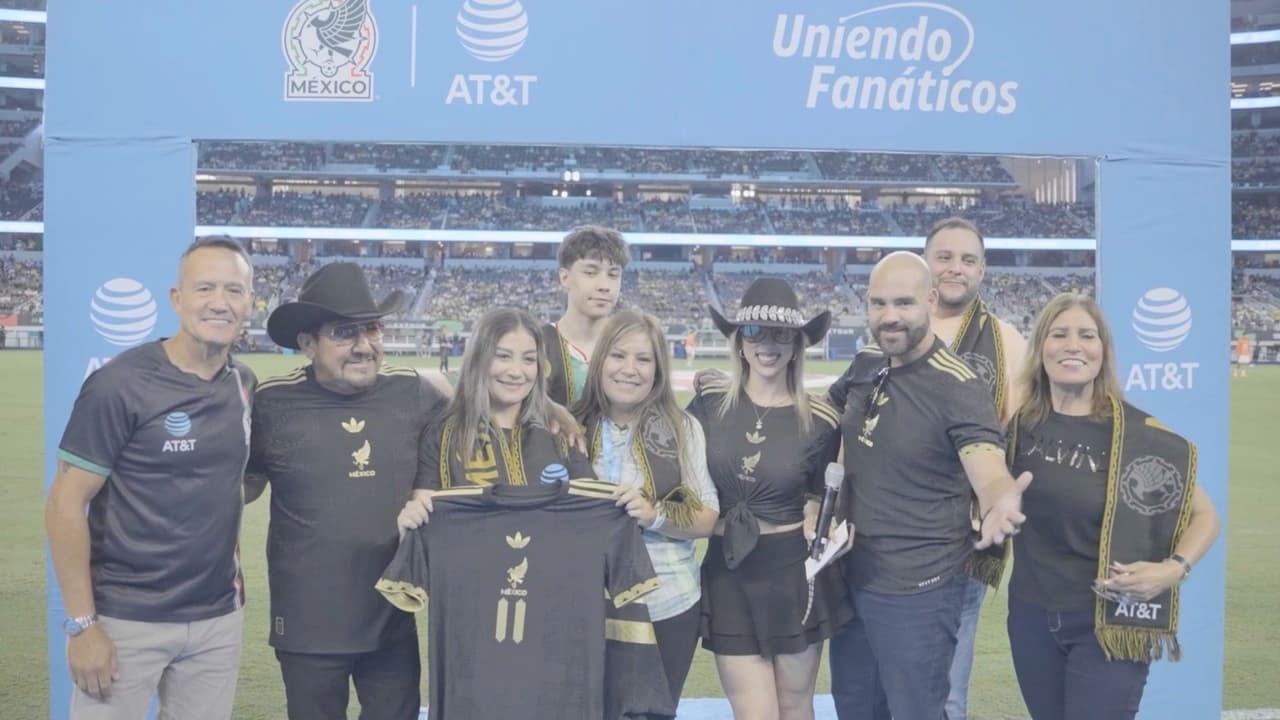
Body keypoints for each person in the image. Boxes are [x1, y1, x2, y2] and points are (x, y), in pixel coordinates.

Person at [45, 236, 256, 719]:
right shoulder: (120, 384)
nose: (219, 303)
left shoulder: (243, 384)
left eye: (234, 290)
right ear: (177, 299)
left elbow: (229, 481)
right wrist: (82, 625)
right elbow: (64, 503)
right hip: (125, 620)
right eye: (205, 288)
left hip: (216, 621)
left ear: (249, 304)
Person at [827, 252, 1031, 720]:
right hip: (851, 575)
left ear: (931, 301)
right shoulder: (865, 363)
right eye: (878, 303)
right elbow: (820, 420)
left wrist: (1001, 497)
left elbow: (986, 462)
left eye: (903, 302)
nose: (890, 316)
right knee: (856, 708)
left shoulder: (958, 384)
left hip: (919, 591)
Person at [244, 263, 451, 720]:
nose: (364, 346)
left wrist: (426, 485)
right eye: (344, 333)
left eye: (372, 329)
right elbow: (244, 483)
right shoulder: (272, 404)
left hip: (392, 613)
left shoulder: (412, 391)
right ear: (306, 343)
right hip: (308, 622)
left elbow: (465, 412)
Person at [1004, 293, 1220, 720]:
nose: (1073, 345)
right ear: (1041, 347)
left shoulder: (1140, 437)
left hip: (1107, 621)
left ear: (1103, 351)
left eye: (1087, 335)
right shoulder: (1017, 427)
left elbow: (1205, 516)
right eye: (1059, 333)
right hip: (1031, 620)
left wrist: (1174, 568)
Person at [686, 277, 852, 720]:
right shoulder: (707, 406)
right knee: (754, 714)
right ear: (739, 342)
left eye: (782, 335)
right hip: (729, 573)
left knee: (796, 708)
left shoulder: (820, 420)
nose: (768, 345)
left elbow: (820, 495)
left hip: (794, 577)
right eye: (755, 332)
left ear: (798, 346)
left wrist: (820, 519)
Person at [573, 309, 720, 701]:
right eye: (618, 356)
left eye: (643, 359)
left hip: (668, 605)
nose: (629, 369)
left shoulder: (682, 427)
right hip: (583, 607)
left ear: (658, 369)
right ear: (600, 360)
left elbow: (707, 518)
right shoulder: (569, 428)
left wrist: (654, 515)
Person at [921, 217, 1028, 720]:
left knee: (947, 690)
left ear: (982, 270)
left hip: (963, 536)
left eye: (967, 259)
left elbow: (1023, 436)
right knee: (879, 676)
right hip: (888, 530)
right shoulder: (893, 327)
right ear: (926, 262)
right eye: (944, 257)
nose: (954, 268)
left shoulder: (1006, 341)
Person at [543, 225, 630, 406]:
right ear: (564, 277)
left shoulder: (633, 346)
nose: (604, 285)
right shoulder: (537, 343)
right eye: (590, 273)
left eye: (613, 274)